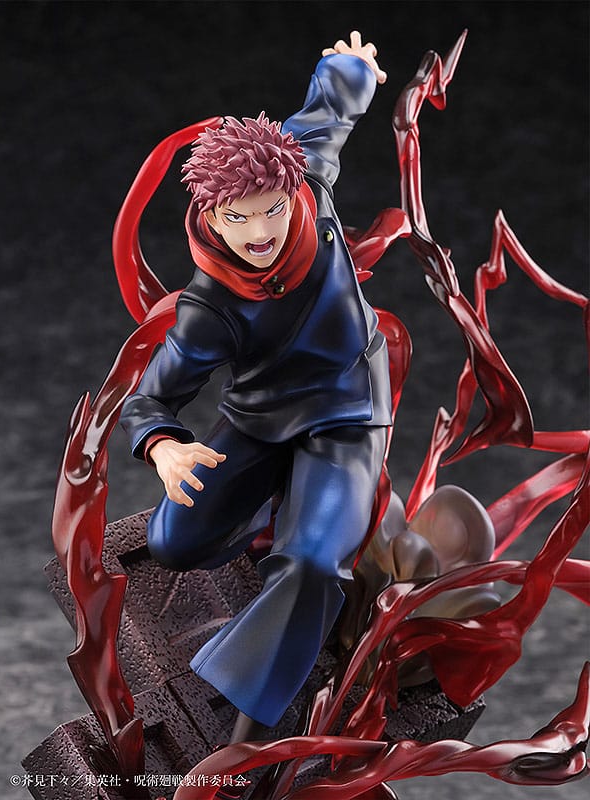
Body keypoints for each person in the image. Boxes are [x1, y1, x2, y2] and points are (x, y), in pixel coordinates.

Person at [120, 31, 391, 746]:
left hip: (346, 409)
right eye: (237, 218)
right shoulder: (208, 306)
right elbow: (150, 399)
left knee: (311, 564)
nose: (259, 232)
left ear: (293, 190)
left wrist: (351, 67)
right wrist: (165, 448)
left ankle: (243, 726)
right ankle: (280, 515)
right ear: (210, 216)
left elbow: (329, 108)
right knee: (172, 542)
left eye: (271, 208)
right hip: (258, 419)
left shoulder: (311, 179)